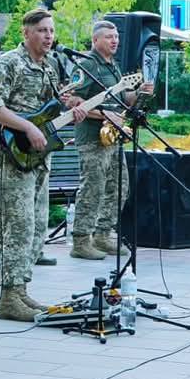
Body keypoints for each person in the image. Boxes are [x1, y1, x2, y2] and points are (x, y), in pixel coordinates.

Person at [0, 10, 86, 321]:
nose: (48, 36)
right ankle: (8, 298)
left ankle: (20, 290)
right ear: (26, 32)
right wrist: (27, 127)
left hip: (39, 157)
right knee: (19, 224)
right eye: (42, 30)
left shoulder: (50, 65)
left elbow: (50, 108)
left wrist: (72, 109)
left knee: (37, 225)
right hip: (14, 153)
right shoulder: (7, 63)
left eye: (51, 30)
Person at [69, 20, 154, 259]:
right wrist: (104, 114)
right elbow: (72, 101)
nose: (115, 40)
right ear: (95, 40)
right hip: (91, 138)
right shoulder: (87, 65)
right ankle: (80, 241)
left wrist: (140, 93)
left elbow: (123, 100)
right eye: (109, 37)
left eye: (116, 36)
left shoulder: (113, 66)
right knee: (92, 188)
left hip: (112, 137)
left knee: (119, 187)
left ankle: (103, 235)